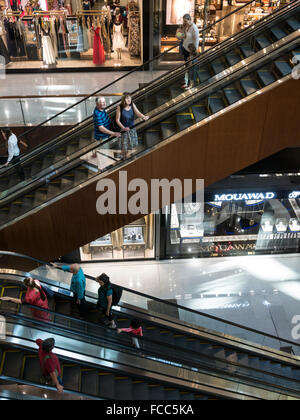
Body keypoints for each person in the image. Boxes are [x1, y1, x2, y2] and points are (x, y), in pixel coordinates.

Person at [116, 92, 149, 159]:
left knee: (132, 146)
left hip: (132, 129)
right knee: (124, 147)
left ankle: (131, 158)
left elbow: (138, 113)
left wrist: (144, 117)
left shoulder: (132, 105)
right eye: (127, 98)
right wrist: (123, 128)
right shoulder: (120, 107)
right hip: (124, 131)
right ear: (124, 99)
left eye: (130, 97)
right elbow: (117, 120)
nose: (129, 99)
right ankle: (124, 159)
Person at [93, 96, 121, 163]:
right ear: (97, 104)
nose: (104, 103)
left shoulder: (101, 109)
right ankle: (104, 168)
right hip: (102, 137)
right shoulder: (97, 114)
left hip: (106, 135)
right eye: (102, 102)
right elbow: (101, 128)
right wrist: (113, 133)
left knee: (103, 150)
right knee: (104, 154)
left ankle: (97, 152)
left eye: (104, 102)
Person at [181, 14, 199, 89]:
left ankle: (191, 84)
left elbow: (196, 41)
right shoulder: (187, 27)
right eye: (183, 21)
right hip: (185, 49)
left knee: (191, 68)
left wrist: (193, 53)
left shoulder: (194, 28)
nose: (184, 22)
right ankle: (187, 82)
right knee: (187, 67)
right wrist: (180, 33)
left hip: (190, 51)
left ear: (189, 20)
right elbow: (184, 36)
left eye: (185, 21)